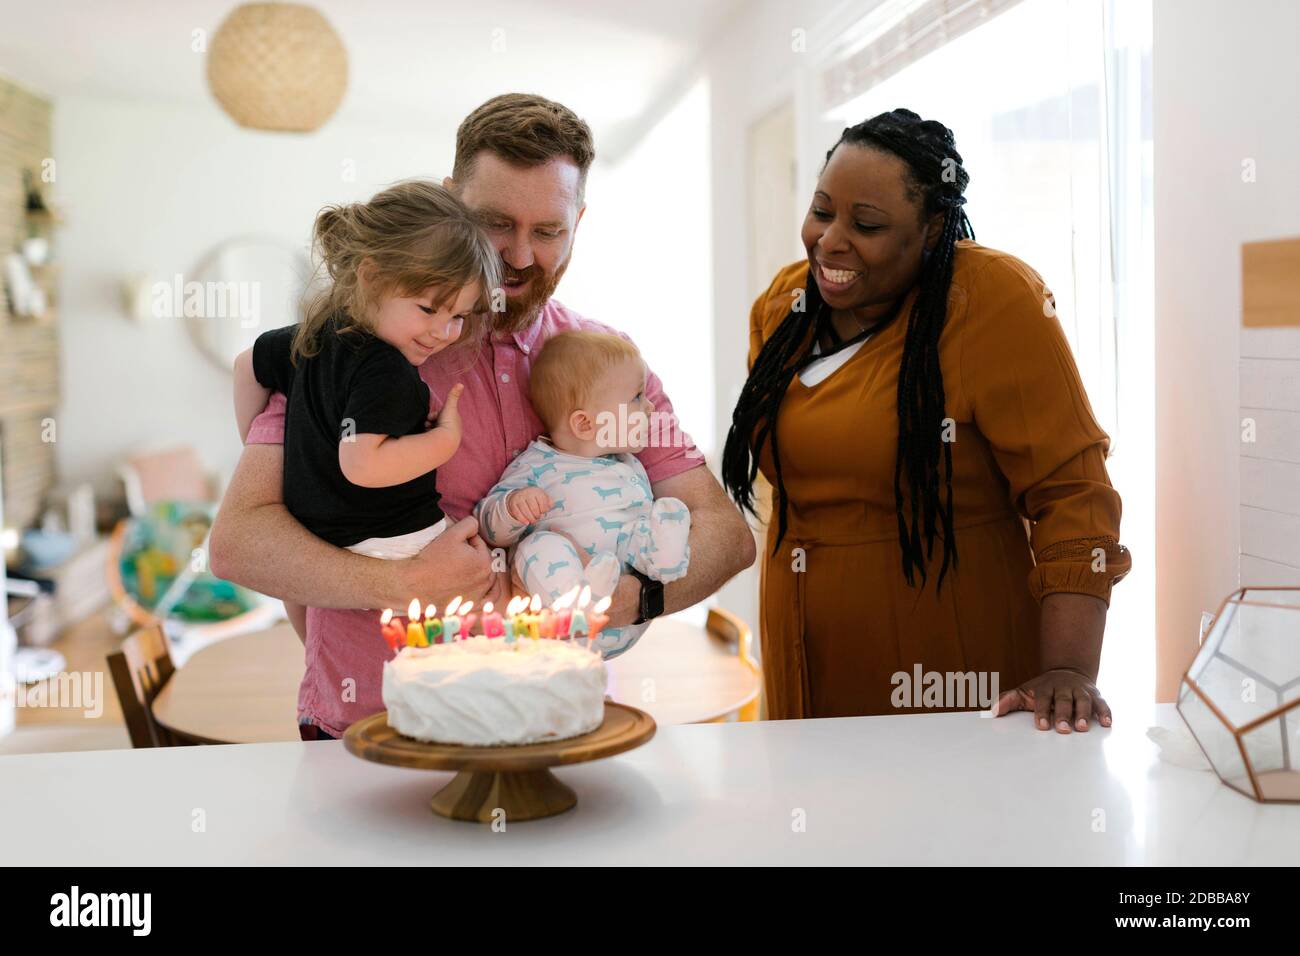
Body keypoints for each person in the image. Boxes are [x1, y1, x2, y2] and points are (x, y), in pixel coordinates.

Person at [210, 94, 755, 740]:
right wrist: (400, 582)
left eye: (548, 231)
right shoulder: (352, 348)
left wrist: (625, 599)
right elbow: (239, 540)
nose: (520, 257)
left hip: (552, 728)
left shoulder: (609, 366)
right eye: (497, 223)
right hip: (370, 730)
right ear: (452, 202)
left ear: (578, 222)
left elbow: (726, 531)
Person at [722, 108, 1132, 733]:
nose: (831, 241)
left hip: (945, 659)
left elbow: (1072, 494)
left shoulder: (991, 299)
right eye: (823, 210)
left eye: (867, 224)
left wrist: (1070, 669)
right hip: (802, 645)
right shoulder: (784, 306)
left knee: (943, 825)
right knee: (820, 820)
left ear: (934, 228)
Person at [232, 181, 499, 641]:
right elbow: (363, 464)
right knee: (492, 585)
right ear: (372, 277)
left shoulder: (309, 337)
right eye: (428, 308)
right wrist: (444, 440)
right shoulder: (387, 368)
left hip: (314, 534)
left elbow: (244, 368)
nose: (443, 331)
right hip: (393, 537)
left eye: (458, 316)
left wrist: (276, 451)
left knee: (310, 622)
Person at [475, 331, 692, 649]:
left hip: (624, 615)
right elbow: (487, 524)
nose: (649, 408)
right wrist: (512, 507)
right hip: (563, 628)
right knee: (537, 547)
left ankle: (666, 558)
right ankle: (576, 599)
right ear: (585, 424)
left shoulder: (628, 466)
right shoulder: (538, 465)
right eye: (635, 398)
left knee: (642, 526)